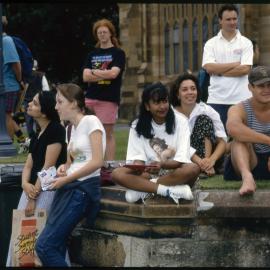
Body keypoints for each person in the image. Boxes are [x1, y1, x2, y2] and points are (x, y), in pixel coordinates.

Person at [35, 83, 106, 267]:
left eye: (59, 102)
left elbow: (97, 161)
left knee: (45, 247)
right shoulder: (70, 129)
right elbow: (71, 162)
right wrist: (63, 169)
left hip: (81, 191)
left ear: (74, 103)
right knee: (52, 246)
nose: (56, 106)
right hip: (68, 188)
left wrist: (66, 179)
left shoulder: (91, 122)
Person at [111, 82, 200, 204]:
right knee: (117, 174)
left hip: (174, 172)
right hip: (148, 173)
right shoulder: (137, 125)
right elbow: (138, 159)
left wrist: (162, 164)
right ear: (147, 106)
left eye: (165, 102)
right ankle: (167, 191)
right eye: (157, 103)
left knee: (193, 169)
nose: (163, 106)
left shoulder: (181, 121)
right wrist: (139, 167)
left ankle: (143, 189)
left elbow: (181, 161)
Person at [6, 91, 67, 266]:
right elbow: (28, 166)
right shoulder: (37, 133)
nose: (29, 105)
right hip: (31, 189)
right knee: (20, 235)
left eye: (34, 103)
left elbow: (48, 166)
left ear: (45, 111)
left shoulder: (56, 130)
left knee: (40, 235)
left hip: (46, 191)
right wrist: (25, 184)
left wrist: (33, 197)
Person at [202, 4, 253, 129]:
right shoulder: (211, 44)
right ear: (220, 21)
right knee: (219, 140)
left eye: (234, 19)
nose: (232, 22)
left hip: (242, 99)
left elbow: (245, 69)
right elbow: (209, 68)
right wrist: (235, 64)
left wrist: (219, 71)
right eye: (228, 19)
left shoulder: (246, 43)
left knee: (242, 139)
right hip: (217, 99)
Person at [83, 18, 126, 161]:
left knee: (107, 134)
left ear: (110, 34)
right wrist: (104, 72)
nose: (102, 34)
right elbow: (85, 77)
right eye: (99, 32)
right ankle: (91, 163)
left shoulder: (118, 53)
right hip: (90, 98)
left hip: (108, 99)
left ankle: (109, 166)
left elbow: (114, 74)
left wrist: (94, 72)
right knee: (89, 132)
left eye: (104, 32)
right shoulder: (91, 55)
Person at [224, 66, 270, 196]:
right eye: (261, 86)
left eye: (269, 85)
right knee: (238, 140)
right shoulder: (239, 108)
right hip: (248, 162)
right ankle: (248, 178)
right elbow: (233, 128)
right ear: (250, 88)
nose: (267, 90)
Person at [170, 73, 227, 177]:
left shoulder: (207, 110)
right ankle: (200, 167)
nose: (190, 92)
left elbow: (222, 142)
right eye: (185, 90)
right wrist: (199, 162)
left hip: (207, 157)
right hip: (180, 157)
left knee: (204, 119)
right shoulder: (170, 114)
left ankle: (206, 167)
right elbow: (175, 144)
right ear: (177, 94)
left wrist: (210, 161)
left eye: (193, 88)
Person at [2, 16, 27, 146]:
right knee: (6, 116)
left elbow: (15, 63)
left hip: (9, 86)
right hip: (5, 86)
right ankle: (22, 140)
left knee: (7, 116)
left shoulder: (6, 41)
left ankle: (8, 144)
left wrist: (19, 80)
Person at [23, 59, 50, 139]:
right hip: (39, 100)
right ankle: (40, 135)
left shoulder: (25, 75)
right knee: (39, 118)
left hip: (27, 100)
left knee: (29, 121)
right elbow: (46, 88)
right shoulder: (41, 75)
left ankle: (31, 138)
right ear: (36, 66)